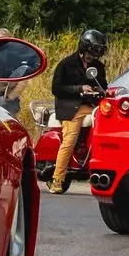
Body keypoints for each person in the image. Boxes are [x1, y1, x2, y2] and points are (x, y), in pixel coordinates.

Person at [47, 29, 108, 194]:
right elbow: (56, 88)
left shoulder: (98, 66)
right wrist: (79, 89)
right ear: (83, 48)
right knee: (70, 140)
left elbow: (103, 86)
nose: (92, 57)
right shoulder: (66, 64)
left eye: (95, 54)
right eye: (90, 53)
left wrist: (98, 90)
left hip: (92, 107)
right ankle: (57, 179)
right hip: (71, 107)